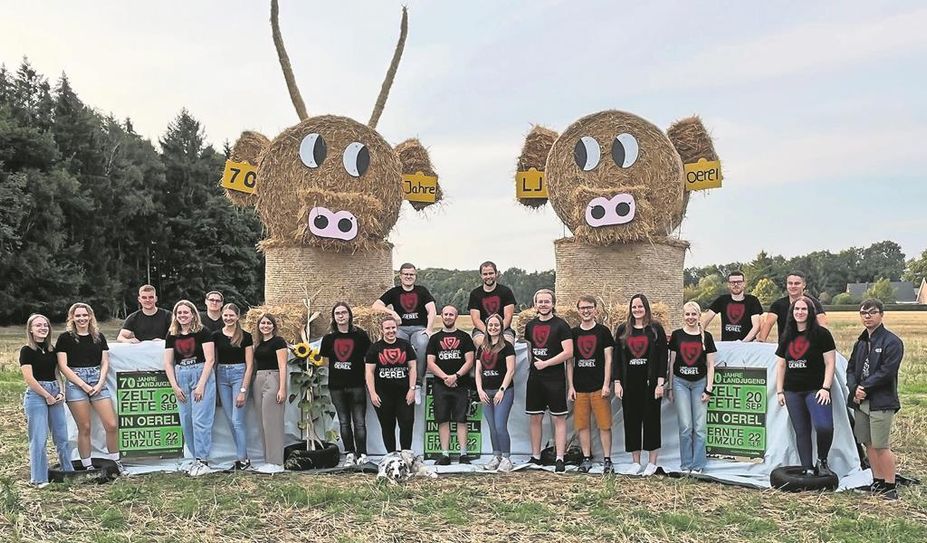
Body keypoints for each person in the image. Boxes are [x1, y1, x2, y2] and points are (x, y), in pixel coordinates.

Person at [56, 302, 123, 474]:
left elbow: (105, 361)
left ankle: (116, 462)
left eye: (85, 315)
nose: (82, 318)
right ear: (72, 318)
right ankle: (87, 465)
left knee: (111, 424)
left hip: (97, 381)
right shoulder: (65, 338)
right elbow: (63, 366)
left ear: (90, 316)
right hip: (76, 384)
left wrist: (100, 383)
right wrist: (83, 385)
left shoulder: (98, 336)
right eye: (78, 315)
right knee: (84, 427)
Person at [847, 299, 904, 500]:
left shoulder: (892, 342)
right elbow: (851, 368)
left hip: (881, 401)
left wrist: (865, 387)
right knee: (868, 443)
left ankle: (890, 486)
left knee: (881, 445)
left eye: (872, 312)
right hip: (860, 401)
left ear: (881, 314)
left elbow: (887, 371)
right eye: (863, 313)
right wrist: (854, 389)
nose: (867, 316)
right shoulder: (861, 341)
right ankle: (877, 481)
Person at [774, 296, 837, 476]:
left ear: (810, 313)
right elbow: (781, 364)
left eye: (804, 309)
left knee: (824, 427)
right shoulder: (787, 336)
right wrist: (780, 390)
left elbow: (830, 363)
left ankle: (822, 461)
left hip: (816, 389)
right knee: (801, 431)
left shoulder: (822, 334)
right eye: (796, 309)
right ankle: (807, 468)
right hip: (792, 391)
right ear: (791, 313)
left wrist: (825, 388)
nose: (800, 313)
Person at [613, 294, 668, 476]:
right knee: (632, 422)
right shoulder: (622, 330)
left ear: (646, 308)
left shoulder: (655, 329)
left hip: (651, 384)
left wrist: (660, 383)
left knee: (652, 421)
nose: (637, 310)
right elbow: (617, 360)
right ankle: (635, 462)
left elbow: (662, 357)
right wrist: (618, 382)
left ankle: (652, 463)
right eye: (634, 307)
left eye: (640, 306)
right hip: (630, 384)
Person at [164, 300, 217, 476]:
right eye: (179, 313)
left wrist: (201, 385)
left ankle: (203, 460)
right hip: (181, 376)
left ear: (193, 314)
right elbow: (168, 362)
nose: (182, 316)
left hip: (201, 374)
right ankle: (194, 459)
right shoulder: (172, 335)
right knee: (186, 421)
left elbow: (210, 359)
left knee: (200, 420)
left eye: (186, 312)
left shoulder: (203, 332)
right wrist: (175, 386)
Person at [523, 289, 573, 472]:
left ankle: (560, 457)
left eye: (547, 301)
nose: (543, 305)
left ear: (553, 304)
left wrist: (546, 363)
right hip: (535, 378)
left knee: (558, 418)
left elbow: (568, 352)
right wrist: (535, 366)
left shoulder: (561, 325)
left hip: (555, 378)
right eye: (540, 301)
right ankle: (536, 456)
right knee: (535, 417)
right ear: (535, 304)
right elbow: (530, 349)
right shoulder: (530, 325)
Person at [21, 314, 73, 487]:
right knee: (39, 438)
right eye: (38, 325)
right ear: (30, 329)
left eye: (45, 325)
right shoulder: (26, 351)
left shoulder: (52, 349)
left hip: (54, 391)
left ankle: (68, 472)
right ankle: (39, 478)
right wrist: (47, 395)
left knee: (62, 437)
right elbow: (29, 378)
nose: (43, 328)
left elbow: (57, 372)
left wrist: (61, 391)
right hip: (37, 395)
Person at [320, 302, 372, 466]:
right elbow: (324, 361)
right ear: (334, 317)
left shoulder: (361, 335)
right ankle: (350, 453)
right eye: (337, 313)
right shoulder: (328, 339)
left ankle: (362, 453)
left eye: (344, 312)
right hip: (336, 386)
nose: (341, 316)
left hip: (357, 384)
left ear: (349, 315)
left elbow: (368, 358)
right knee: (343, 422)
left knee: (359, 421)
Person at [668, 301, 717, 473]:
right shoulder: (676, 335)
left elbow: (711, 365)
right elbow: (672, 363)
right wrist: (670, 387)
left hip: (700, 383)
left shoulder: (707, 337)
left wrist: (708, 388)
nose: (690, 317)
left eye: (693, 314)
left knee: (700, 427)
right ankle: (686, 464)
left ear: (699, 316)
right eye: (687, 314)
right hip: (680, 383)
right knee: (686, 426)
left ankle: (698, 465)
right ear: (683, 316)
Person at [568, 295, 615, 474]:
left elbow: (608, 359)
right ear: (578, 311)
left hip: (598, 387)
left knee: (604, 425)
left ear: (595, 310)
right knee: (582, 425)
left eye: (589, 307)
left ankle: (607, 459)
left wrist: (606, 384)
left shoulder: (603, 332)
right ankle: (586, 457)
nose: (586, 311)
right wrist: (571, 386)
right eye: (583, 308)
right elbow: (570, 362)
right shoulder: (573, 333)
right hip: (580, 388)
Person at [425, 305, 476, 465]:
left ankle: (463, 454)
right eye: (445, 314)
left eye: (451, 314)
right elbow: (430, 362)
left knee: (461, 419)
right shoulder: (434, 338)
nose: (448, 317)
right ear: (441, 316)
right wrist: (445, 377)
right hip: (440, 385)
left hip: (461, 384)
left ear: (456, 316)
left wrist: (456, 376)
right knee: (442, 420)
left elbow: (470, 360)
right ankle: (445, 454)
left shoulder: (465, 337)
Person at [373, 263, 436, 383]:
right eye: (406, 274)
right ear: (400, 276)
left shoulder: (422, 291)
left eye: (411, 274)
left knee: (423, 343)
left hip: (419, 328)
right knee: (393, 344)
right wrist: (392, 313)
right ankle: (398, 378)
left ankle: (417, 381)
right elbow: (376, 305)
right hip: (400, 329)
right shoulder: (394, 292)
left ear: (415, 276)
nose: (409, 276)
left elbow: (432, 310)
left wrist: (429, 329)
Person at [365, 316, 417, 452]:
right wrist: (372, 393)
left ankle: (406, 455)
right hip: (383, 395)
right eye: (387, 328)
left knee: (406, 424)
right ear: (382, 330)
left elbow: (412, 368)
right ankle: (391, 456)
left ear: (397, 328)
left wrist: (412, 389)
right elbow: (369, 372)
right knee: (387, 426)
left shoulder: (405, 345)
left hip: (404, 394)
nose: (390, 331)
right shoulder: (374, 348)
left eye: (393, 328)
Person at [212, 303, 253, 470]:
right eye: (225, 315)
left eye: (231, 315)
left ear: (237, 317)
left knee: (237, 420)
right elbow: (214, 360)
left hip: (239, 375)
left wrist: (243, 390)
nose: (228, 318)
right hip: (222, 376)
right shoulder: (216, 336)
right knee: (230, 419)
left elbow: (249, 365)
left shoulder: (245, 336)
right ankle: (242, 456)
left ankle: (243, 459)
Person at [475, 313, 517, 472]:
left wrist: (501, 390)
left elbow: (511, 370)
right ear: (486, 327)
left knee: (500, 425)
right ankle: (496, 455)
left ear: (501, 327)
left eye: (496, 325)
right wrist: (479, 390)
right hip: (486, 392)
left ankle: (506, 457)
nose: (493, 328)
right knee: (492, 427)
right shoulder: (482, 347)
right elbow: (478, 371)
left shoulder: (507, 346)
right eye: (490, 325)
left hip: (503, 392)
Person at [251, 313, 288, 468]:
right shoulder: (258, 344)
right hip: (258, 379)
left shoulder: (278, 342)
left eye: (268, 323)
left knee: (272, 422)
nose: (265, 326)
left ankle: (276, 462)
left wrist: (282, 388)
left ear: (273, 326)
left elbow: (283, 366)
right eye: (262, 323)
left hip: (273, 378)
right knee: (262, 422)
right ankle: (267, 460)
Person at [758, 271, 828, 342]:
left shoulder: (814, 303)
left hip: (809, 347)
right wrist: (761, 340)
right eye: (790, 283)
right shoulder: (778, 305)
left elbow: (823, 325)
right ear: (787, 285)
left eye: (797, 283)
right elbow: (768, 323)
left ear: (804, 285)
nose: (793, 286)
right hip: (785, 348)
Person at [702, 271, 763, 341]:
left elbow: (756, 326)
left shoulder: (752, 301)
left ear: (744, 284)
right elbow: (705, 320)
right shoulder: (721, 300)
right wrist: (698, 336)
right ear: (728, 284)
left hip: (747, 345)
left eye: (739, 282)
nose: (736, 284)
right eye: (732, 282)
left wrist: (743, 343)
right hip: (727, 345)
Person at [468, 261, 517, 344]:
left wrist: (498, 331)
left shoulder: (506, 292)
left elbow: (508, 317)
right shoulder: (475, 294)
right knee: (480, 342)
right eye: (485, 274)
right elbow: (476, 319)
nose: (488, 276)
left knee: (507, 342)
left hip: (504, 329)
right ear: (481, 275)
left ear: (496, 274)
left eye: (491, 273)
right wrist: (488, 332)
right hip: (482, 330)